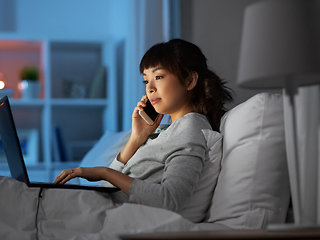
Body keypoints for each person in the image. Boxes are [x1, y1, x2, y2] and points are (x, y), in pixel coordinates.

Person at [54, 39, 233, 222]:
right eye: (146, 80)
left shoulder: (190, 131)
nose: (149, 88)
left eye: (159, 77)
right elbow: (105, 187)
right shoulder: (167, 130)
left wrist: (103, 171)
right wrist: (136, 139)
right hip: (97, 209)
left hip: (107, 218)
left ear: (190, 80)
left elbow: (169, 200)